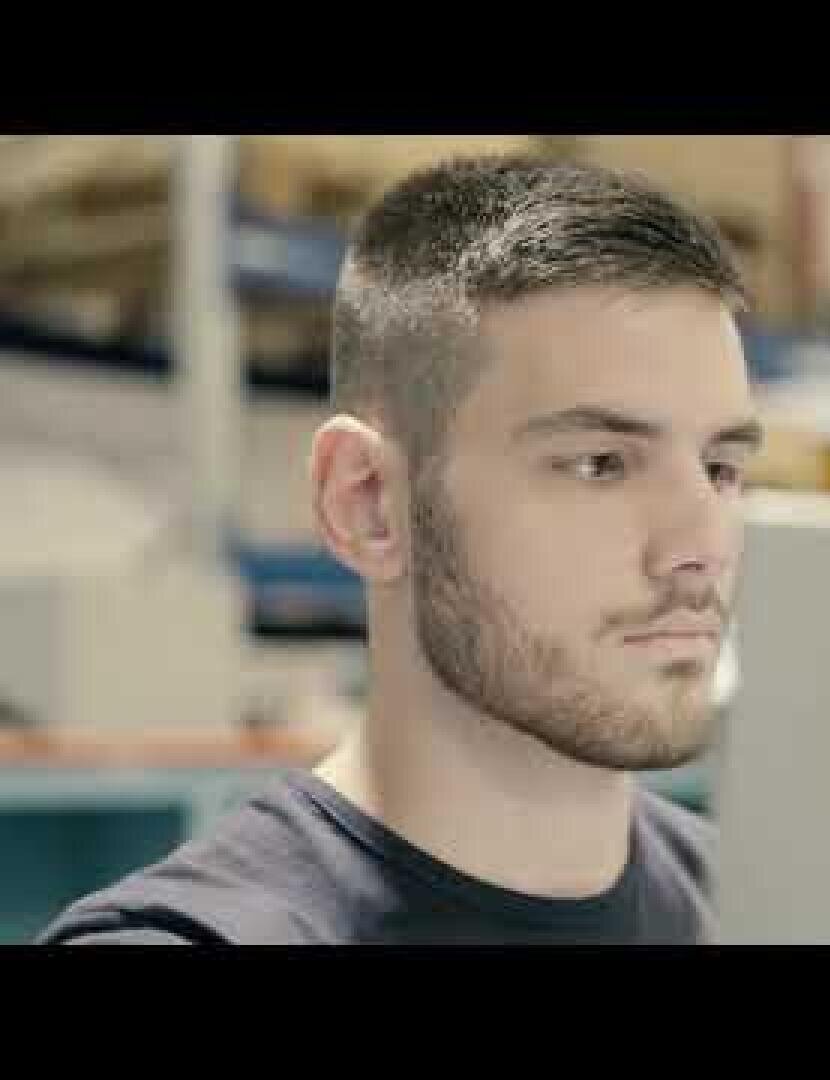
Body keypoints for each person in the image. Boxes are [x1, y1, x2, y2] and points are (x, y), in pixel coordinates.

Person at [36, 154, 761, 944]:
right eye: (599, 464)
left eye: (722, 468)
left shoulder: (772, 910)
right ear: (370, 503)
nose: (701, 547)